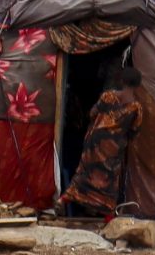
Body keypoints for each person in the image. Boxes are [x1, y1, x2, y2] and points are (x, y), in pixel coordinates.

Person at [56, 61, 144, 219]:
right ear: (138, 85)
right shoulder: (136, 108)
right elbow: (134, 132)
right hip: (114, 149)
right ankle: (108, 218)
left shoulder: (108, 96)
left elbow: (92, 113)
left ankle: (64, 200)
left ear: (121, 81)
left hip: (94, 144)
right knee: (108, 184)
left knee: (84, 175)